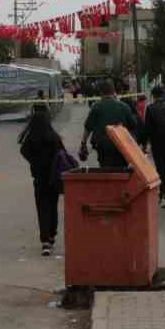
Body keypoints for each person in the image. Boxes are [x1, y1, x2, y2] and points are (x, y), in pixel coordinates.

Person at [18, 103, 67, 256]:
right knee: (53, 206)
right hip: (53, 178)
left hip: (39, 178)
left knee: (42, 208)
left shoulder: (31, 137)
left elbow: (23, 151)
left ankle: (45, 241)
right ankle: (52, 235)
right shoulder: (53, 136)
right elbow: (62, 153)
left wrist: (34, 161)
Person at [78, 80, 139, 170]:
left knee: (106, 170)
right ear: (113, 91)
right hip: (121, 145)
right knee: (121, 171)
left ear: (101, 92)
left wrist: (83, 144)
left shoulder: (96, 106)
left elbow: (88, 127)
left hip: (103, 146)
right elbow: (133, 125)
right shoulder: (124, 106)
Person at [137, 84, 165, 208]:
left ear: (153, 96)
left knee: (160, 168)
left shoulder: (151, 109)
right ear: (163, 95)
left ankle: (164, 195)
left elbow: (146, 128)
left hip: (157, 143)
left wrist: (144, 144)